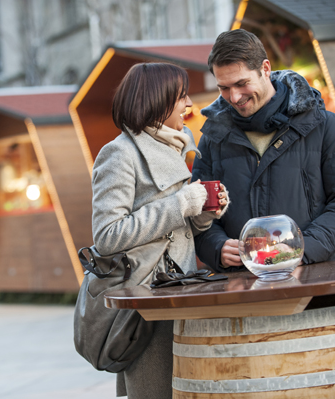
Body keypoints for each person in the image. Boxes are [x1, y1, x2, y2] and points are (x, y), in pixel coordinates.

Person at [92, 62, 229, 398]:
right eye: (181, 96)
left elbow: (175, 232)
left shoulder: (173, 146)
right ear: (158, 100)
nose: (188, 104)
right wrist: (181, 203)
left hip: (179, 294)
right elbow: (107, 236)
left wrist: (203, 214)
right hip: (147, 304)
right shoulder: (120, 153)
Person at [192, 29, 335, 272]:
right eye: (224, 88)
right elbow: (200, 214)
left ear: (265, 69)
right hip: (239, 289)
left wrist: (302, 248)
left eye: (242, 84)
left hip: (311, 279)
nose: (234, 97)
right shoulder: (212, 139)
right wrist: (217, 247)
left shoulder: (326, 126)